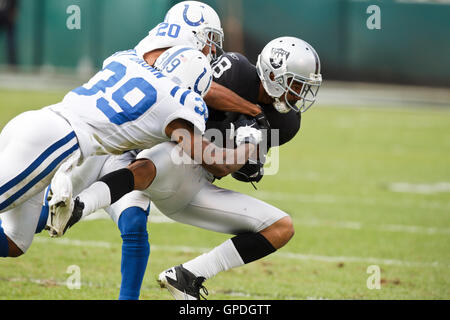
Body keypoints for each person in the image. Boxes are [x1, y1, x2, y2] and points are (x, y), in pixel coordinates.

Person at [54, 36, 322, 300]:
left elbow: (235, 168)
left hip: (196, 183)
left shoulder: (287, 123)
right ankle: (79, 207)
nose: (299, 94)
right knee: (163, 160)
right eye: (296, 84)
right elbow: (201, 90)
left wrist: (249, 156)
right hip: (165, 147)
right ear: (274, 75)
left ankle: (188, 276)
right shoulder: (236, 69)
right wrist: (250, 112)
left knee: (281, 227)